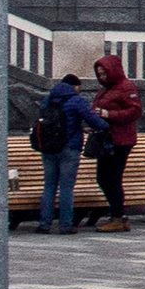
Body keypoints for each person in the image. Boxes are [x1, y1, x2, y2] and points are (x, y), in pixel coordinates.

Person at [32, 70, 95, 235]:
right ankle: (66, 225)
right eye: (78, 87)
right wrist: (106, 126)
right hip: (69, 148)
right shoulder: (76, 101)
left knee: (49, 186)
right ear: (74, 86)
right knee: (66, 187)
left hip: (49, 148)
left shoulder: (48, 100)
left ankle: (44, 224)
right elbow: (94, 120)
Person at [88, 51, 143, 233]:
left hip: (120, 140)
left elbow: (134, 112)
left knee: (110, 178)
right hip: (107, 138)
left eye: (104, 73)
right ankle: (117, 214)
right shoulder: (106, 89)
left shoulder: (127, 87)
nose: (102, 77)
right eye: (99, 74)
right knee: (104, 178)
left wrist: (108, 115)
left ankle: (118, 216)